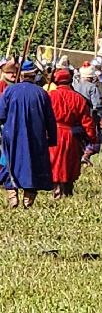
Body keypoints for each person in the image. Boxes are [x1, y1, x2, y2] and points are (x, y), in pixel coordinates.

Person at [0, 61, 57, 207]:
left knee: (11, 163)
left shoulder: (10, 91)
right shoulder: (42, 93)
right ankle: (28, 199)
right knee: (33, 165)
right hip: (36, 137)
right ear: (34, 75)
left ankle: (13, 195)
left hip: (12, 135)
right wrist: (52, 138)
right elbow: (50, 119)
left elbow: (1, 115)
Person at [47, 68, 97, 198]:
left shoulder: (50, 96)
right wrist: (92, 138)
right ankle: (66, 190)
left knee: (55, 163)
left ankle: (57, 190)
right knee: (69, 163)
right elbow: (87, 121)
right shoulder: (78, 98)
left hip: (53, 135)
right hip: (71, 136)